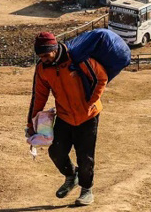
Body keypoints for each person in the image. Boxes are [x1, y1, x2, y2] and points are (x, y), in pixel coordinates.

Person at [26, 32, 107, 207]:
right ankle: (72, 176)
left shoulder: (77, 58)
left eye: (46, 55)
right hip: (64, 116)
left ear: (54, 49)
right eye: (40, 56)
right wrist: (31, 125)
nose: (43, 59)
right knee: (56, 152)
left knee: (85, 158)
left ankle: (87, 190)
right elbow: (38, 96)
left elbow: (101, 77)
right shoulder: (42, 69)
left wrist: (90, 101)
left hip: (88, 115)